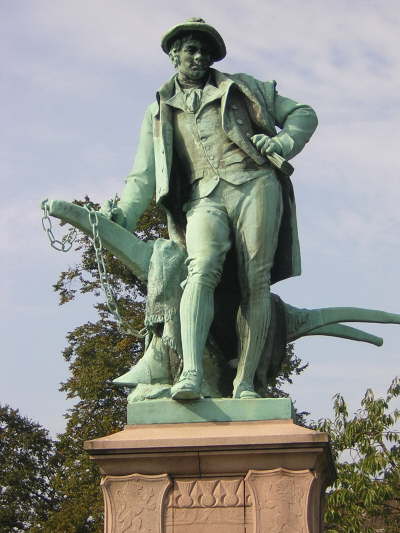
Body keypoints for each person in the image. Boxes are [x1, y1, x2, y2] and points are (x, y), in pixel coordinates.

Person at [102, 17, 318, 400]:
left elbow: (304, 113)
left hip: (255, 184)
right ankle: (191, 373)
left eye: (205, 51)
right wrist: (124, 214)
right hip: (203, 198)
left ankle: (246, 383)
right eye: (191, 50)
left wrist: (283, 143)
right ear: (174, 55)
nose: (199, 57)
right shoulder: (158, 111)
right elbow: (143, 174)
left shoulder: (241, 88)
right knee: (199, 269)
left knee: (256, 280)